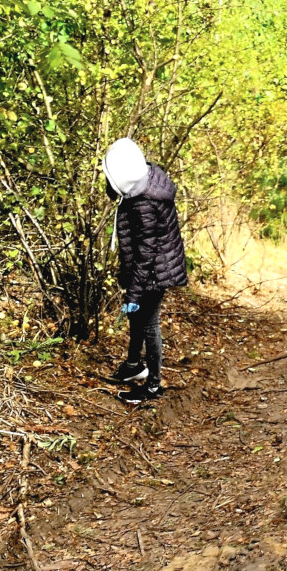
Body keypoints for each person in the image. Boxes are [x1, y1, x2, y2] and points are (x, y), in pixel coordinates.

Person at [102, 137, 187, 404]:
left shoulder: (144, 203)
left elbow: (146, 254)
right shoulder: (146, 183)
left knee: (148, 324)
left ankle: (152, 386)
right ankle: (133, 365)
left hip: (153, 273)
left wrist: (133, 293)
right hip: (149, 269)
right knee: (134, 315)